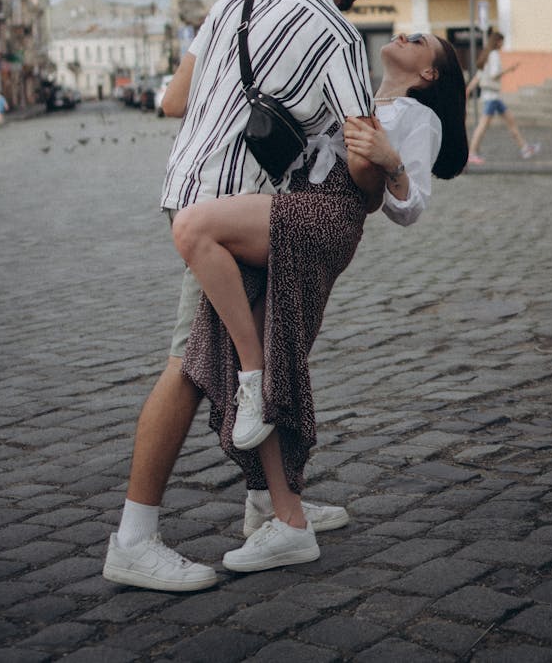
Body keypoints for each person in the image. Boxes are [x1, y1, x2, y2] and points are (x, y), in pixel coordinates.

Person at [102, 0, 393, 593]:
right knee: (190, 363)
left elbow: (174, 100)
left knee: (247, 342)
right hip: (232, 211)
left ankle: (271, 502)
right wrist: (381, 159)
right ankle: (134, 537)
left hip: (184, 185)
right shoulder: (337, 36)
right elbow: (358, 156)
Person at [171, 30, 468, 573]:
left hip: (324, 220)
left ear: (430, 74)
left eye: (421, 39)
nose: (405, 31)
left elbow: (409, 207)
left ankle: (279, 491)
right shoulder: (351, 86)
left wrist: (389, 161)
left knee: (198, 238)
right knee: (268, 347)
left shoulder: (418, 119)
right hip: (291, 205)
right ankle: (278, 507)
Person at [466, 29, 539, 164]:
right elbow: (494, 74)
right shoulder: (494, 55)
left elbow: (479, 75)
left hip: (493, 97)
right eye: (502, 41)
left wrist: (469, 88)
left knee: (511, 121)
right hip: (492, 98)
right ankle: (471, 153)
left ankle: (524, 148)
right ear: (498, 42)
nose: (503, 44)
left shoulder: (486, 54)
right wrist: (509, 70)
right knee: (482, 126)